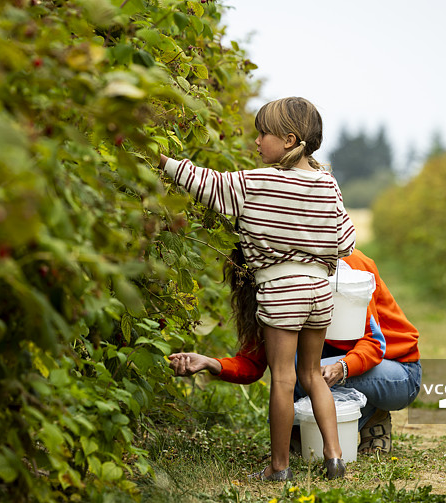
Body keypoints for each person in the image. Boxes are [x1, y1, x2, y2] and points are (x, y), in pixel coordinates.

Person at [159, 97, 356, 481]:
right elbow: (346, 241)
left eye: (262, 133)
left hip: (281, 289)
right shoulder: (327, 185)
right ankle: (335, 458)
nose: (256, 142)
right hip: (319, 290)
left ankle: (279, 468)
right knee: (312, 374)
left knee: (283, 379)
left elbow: (205, 182)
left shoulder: (254, 182)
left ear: (288, 139)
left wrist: (162, 162)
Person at [169, 248, 421, 455]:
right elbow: (253, 362)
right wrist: (211, 363)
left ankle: (371, 416)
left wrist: (341, 368)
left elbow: (374, 343)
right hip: (331, 368)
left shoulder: (347, 266)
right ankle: (301, 434)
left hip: (397, 370)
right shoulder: (271, 284)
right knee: (294, 365)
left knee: (306, 371)